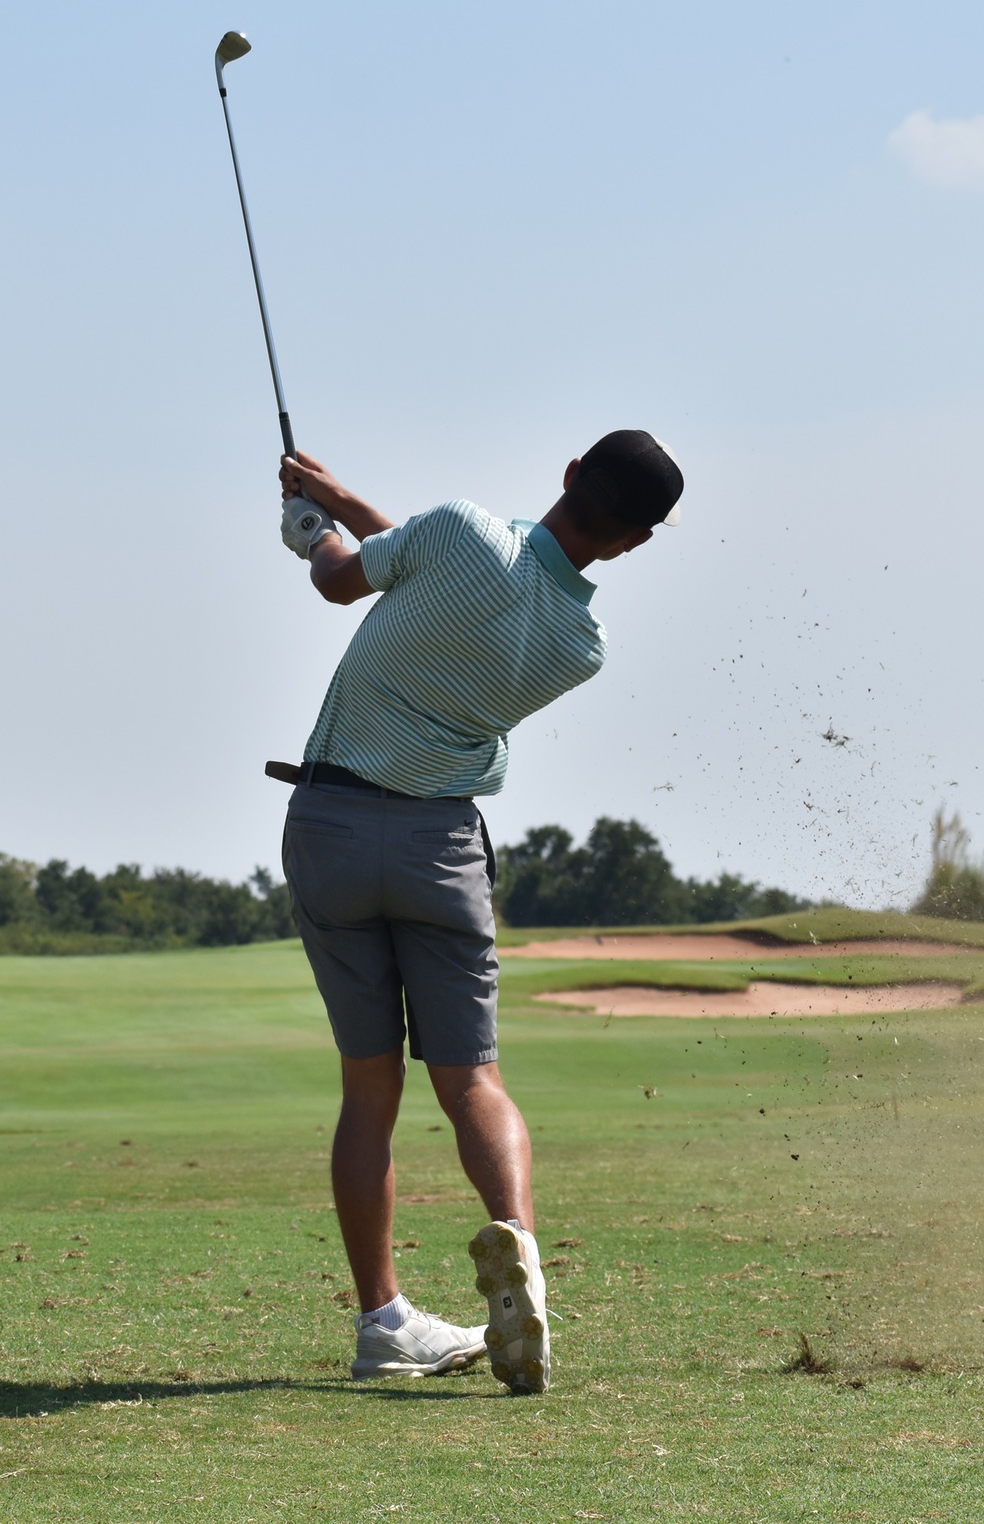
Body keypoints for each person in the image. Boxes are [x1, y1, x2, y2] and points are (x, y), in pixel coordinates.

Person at [270, 430, 683, 1393]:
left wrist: (309, 530)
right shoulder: (579, 645)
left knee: (369, 1088)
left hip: (332, 825)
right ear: (632, 542)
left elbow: (350, 580)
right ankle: (518, 1249)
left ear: (571, 470)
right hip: (440, 849)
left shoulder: (457, 531)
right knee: (474, 1083)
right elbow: (458, 572)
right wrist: (345, 500)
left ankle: (382, 1319)